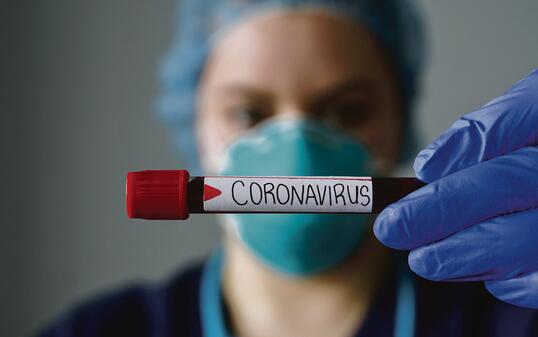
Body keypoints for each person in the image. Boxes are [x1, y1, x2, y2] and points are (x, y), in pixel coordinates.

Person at [39, 0, 538, 336]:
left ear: (399, 118)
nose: (296, 148)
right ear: (192, 123)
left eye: (347, 111)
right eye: (249, 114)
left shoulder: (510, 315)